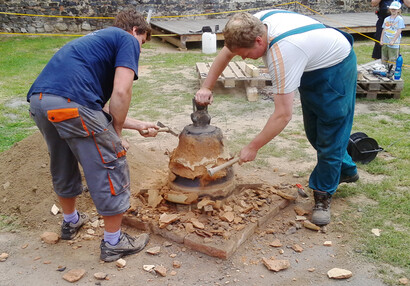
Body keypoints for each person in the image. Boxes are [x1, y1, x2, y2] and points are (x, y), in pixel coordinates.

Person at [195, 10, 360, 226]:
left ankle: (322, 195)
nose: (243, 58)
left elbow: (283, 115)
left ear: (259, 40)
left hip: (334, 68)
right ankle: (346, 169)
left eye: (245, 53)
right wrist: (206, 86)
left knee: (330, 133)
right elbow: (227, 53)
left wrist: (253, 147)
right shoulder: (251, 23)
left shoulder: (283, 54)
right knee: (314, 133)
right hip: (310, 61)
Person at [27, 9, 160, 262]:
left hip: (41, 102)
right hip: (72, 105)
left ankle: (70, 222)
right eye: (142, 43)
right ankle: (113, 242)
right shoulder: (127, 39)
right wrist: (117, 134)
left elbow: (94, 109)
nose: (139, 50)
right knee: (111, 161)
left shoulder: (93, 42)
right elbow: (121, 92)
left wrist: (139, 124)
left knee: (62, 160)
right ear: (135, 31)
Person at [380, 1, 405, 69]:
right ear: (389, 9)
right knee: (384, 58)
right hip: (385, 42)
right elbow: (383, 29)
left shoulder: (400, 19)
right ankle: (384, 69)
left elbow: (399, 30)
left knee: (392, 58)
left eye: (395, 9)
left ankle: (391, 71)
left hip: (394, 43)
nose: (393, 10)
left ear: (398, 10)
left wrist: (393, 41)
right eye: (392, 9)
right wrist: (381, 40)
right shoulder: (386, 19)